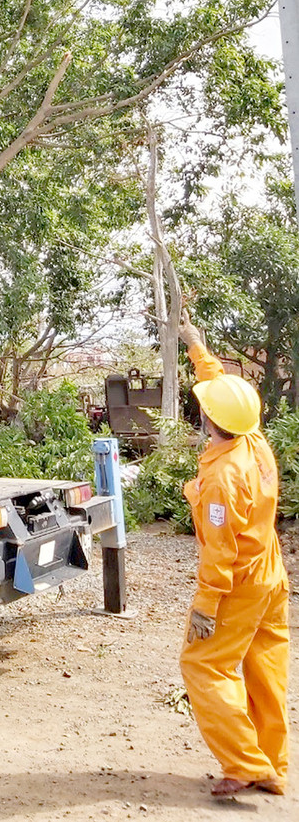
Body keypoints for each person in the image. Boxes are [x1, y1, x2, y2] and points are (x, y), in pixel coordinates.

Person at [178, 312, 290, 798]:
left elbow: (219, 552)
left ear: (208, 420)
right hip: (271, 576)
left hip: (239, 584)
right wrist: (196, 345)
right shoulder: (254, 441)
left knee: (204, 665)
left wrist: (205, 606)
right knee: (266, 668)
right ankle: (274, 763)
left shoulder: (223, 478)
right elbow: (222, 387)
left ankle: (246, 764)